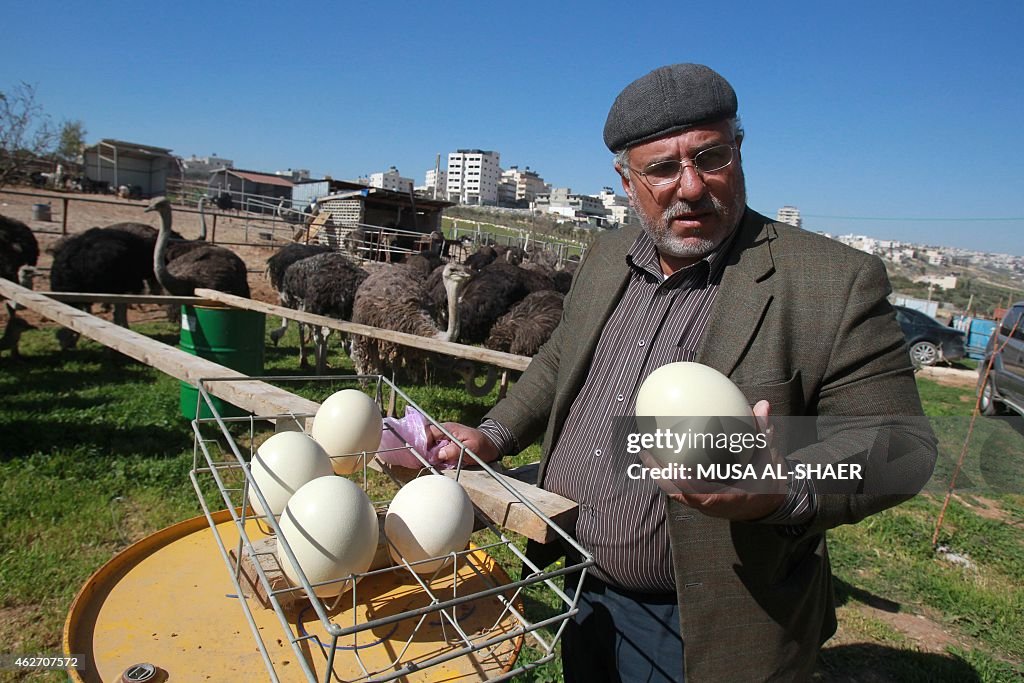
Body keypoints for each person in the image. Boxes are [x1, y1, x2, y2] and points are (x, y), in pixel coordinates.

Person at [430, 63, 937, 681]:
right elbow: (561, 359)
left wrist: (779, 485)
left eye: (711, 157)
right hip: (575, 582)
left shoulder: (832, 282)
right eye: (664, 168)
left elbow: (900, 446)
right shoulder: (609, 255)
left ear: (738, 150)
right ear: (625, 179)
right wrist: (494, 435)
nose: (692, 187)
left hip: (706, 621)